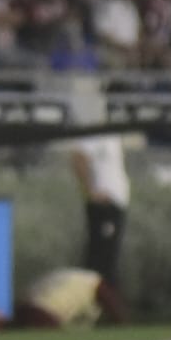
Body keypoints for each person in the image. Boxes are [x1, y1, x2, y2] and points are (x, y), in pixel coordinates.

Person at [69, 133, 131, 322]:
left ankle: (103, 313)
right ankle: (108, 314)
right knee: (101, 262)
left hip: (115, 205)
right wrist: (91, 192)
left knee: (108, 258)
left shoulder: (114, 135)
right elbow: (78, 157)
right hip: (104, 206)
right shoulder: (95, 133)